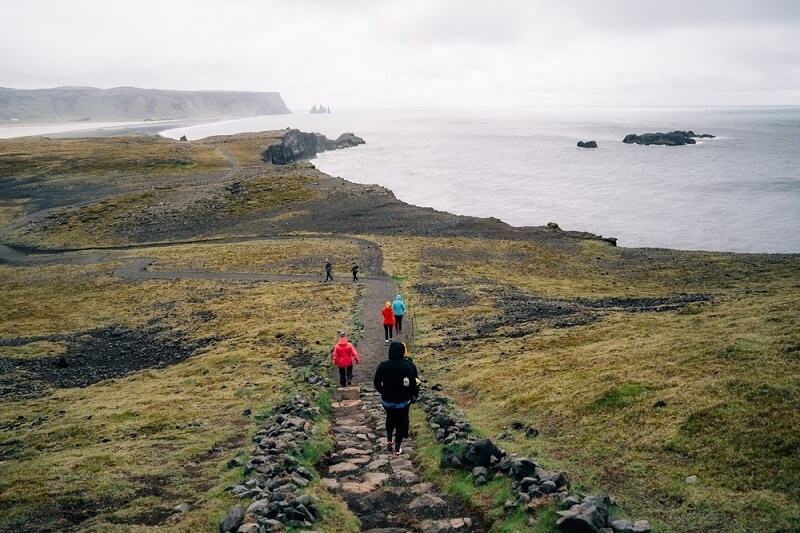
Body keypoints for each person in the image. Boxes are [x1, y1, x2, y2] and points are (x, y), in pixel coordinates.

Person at [373, 341, 419, 456]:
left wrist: (383, 392)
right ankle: (397, 449)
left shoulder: (383, 365)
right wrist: (411, 395)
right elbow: (413, 383)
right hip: (402, 401)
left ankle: (389, 441)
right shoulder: (407, 366)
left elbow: (376, 382)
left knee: (389, 417)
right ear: (403, 352)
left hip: (387, 400)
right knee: (400, 423)